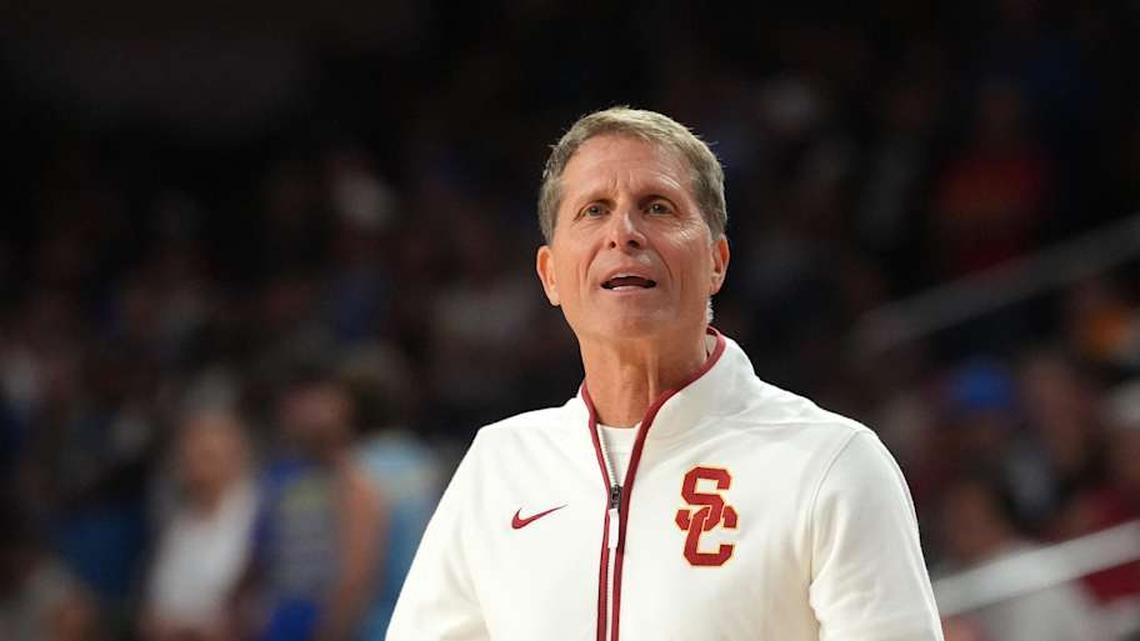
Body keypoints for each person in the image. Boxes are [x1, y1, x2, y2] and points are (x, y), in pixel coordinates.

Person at [386, 107, 943, 641]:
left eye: (657, 207)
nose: (623, 233)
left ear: (717, 261)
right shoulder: (498, 465)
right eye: (593, 210)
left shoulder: (831, 462)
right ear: (550, 274)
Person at [140, 408, 257, 641]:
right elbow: (155, 610)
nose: (195, 467)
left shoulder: (257, 515)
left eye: (207, 456)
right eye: (188, 457)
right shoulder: (180, 524)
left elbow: (251, 607)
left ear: (235, 458)